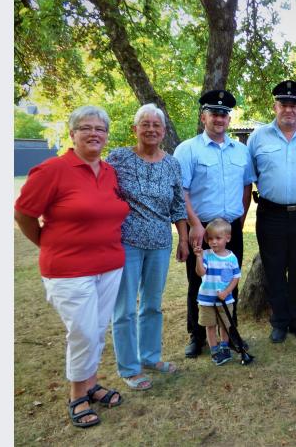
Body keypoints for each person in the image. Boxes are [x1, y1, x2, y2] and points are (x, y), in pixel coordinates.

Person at [14, 105, 130, 428]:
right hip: (67, 270)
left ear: (106, 136)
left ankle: (91, 384)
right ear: (72, 134)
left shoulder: (109, 173)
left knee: (96, 329)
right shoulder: (52, 170)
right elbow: (23, 213)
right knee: (82, 332)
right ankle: (77, 394)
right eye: (86, 128)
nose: (94, 133)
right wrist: (48, 243)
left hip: (109, 264)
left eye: (100, 129)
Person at [107, 103, 187, 389]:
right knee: (125, 308)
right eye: (145, 124)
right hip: (126, 243)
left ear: (164, 131)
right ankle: (129, 368)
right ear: (135, 129)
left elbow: (178, 204)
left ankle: (150, 357)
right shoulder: (118, 158)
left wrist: (184, 238)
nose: (151, 129)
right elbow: (104, 193)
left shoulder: (172, 164)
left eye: (157, 125)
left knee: (152, 305)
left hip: (160, 244)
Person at [174, 89, 255, 358]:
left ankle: (231, 332)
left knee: (230, 279)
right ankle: (197, 336)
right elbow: (182, 192)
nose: (219, 119)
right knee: (199, 282)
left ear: (229, 119)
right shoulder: (188, 150)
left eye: (224, 114)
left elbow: (247, 186)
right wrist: (195, 225)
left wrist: (240, 220)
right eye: (214, 113)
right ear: (203, 116)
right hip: (202, 228)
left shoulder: (241, 151)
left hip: (230, 228)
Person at [248, 79, 296, 343]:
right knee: (274, 268)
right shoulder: (258, 138)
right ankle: (279, 322)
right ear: (275, 106)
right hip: (271, 214)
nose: (289, 109)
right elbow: (250, 176)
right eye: (283, 104)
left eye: (294, 104)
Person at [193, 219, 242, 365]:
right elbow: (200, 272)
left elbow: (235, 278)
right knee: (210, 326)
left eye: (218, 238)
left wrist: (226, 292)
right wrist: (198, 258)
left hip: (225, 300)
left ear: (228, 238)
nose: (213, 242)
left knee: (225, 325)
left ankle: (225, 348)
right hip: (207, 300)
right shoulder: (206, 255)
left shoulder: (231, 258)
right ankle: (214, 350)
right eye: (210, 238)